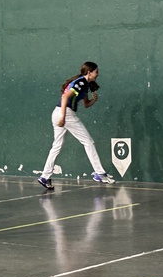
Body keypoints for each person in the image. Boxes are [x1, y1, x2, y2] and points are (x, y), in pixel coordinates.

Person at [38, 61, 115, 189]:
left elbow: (86, 104)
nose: (97, 74)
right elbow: (64, 97)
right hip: (65, 114)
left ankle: (44, 176)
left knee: (57, 146)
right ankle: (99, 172)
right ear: (89, 72)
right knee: (88, 142)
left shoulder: (84, 85)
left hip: (57, 112)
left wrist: (94, 100)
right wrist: (63, 117)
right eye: (96, 72)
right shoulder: (81, 82)